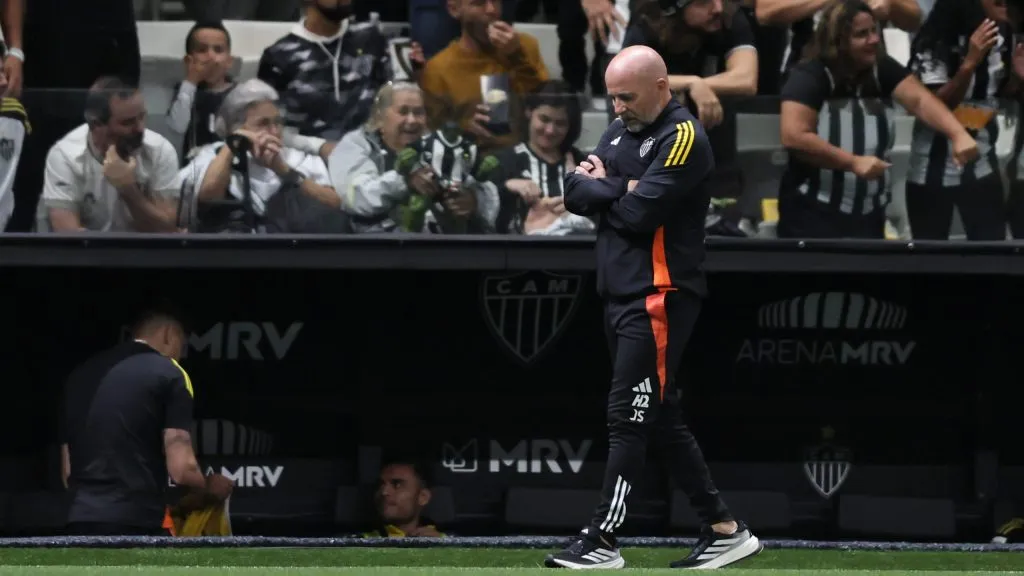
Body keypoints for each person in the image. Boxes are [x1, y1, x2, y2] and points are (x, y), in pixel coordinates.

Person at [546, 45, 761, 570]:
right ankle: (723, 528)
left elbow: (640, 214)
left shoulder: (682, 135)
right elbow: (573, 189)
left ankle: (603, 537)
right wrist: (617, 186)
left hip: (659, 293)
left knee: (629, 415)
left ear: (661, 86)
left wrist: (608, 186)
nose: (617, 108)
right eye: (612, 98)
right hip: (620, 288)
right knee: (659, 413)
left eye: (627, 97)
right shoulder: (621, 127)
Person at [777, 0, 977, 239]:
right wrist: (852, 162)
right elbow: (793, 135)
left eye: (874, 30)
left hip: (869, 215)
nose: (873, 40)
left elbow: (920, 100)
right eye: (862, 34)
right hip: (812, 214)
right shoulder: (809, 75)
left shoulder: (880, 67)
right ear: (839, 42)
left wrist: (957, 133)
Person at [58, 308, 233, 536]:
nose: (182, 353)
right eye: (182, 344)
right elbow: (182, 469)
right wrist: (210, 487)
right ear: (169, 334)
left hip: (80, 523)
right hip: (138, 524)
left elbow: (67, 473)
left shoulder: (79, 376)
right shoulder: (170, 372)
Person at [906, 0, 1014, 240]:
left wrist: (1017, 78)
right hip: (930, 171)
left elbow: (999, 95)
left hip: (982, 164)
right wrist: (969, 63)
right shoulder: (937, 37)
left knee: (991, 260)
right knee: (931, 265)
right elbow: (931, 107)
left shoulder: (1005, 31)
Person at [179, 79, 342, 233]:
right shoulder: (213, 156)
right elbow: (208, 197)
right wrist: (231, 147)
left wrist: (284, 171)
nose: (274, 131)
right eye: (263, 124)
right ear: (236, 127)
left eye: (277, 122)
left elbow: (334, 203)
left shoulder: (299, 158)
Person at [36, 77, 182, 233]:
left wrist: (128, 189)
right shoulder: (64, 155)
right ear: (96, 124)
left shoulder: (160, 151)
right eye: (127, 123)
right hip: (89, 255)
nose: (140, 129)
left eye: (142, 117)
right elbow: (67, 235)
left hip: (142, 254)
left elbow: (167, 232)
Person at [257, 0, 392, 144]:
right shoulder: (279, 55)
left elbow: (391, 95)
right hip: (308, 157)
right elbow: (270, 127)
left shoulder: (370, 38)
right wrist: (318, 148)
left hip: (371, 149)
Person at [494, 80, 594, 235]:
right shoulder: (504, 162)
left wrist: (581, 205)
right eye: (544, 119)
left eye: (560, 123)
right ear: (529, 112)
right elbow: (482, 219)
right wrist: (506, 188)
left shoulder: (585, 164)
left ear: (571, 126)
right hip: (519, 254)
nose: (550, 131)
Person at [330, 81, 429, 233]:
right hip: (375, 247)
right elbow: (359, 198)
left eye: (418, 112)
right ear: (380, 116)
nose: (412, 120)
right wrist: (405, 181)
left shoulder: (434, 146)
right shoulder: (356, 144)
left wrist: (469, 201)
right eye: (403, 112)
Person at [166, 21, 238, 165]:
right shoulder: (185, 90)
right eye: (202, 50)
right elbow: (177, 126)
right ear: (188, 60)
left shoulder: (240, 94)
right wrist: (190, 81)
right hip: (193, 170)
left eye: (218, 50)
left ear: (229, 61)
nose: (210, 56)